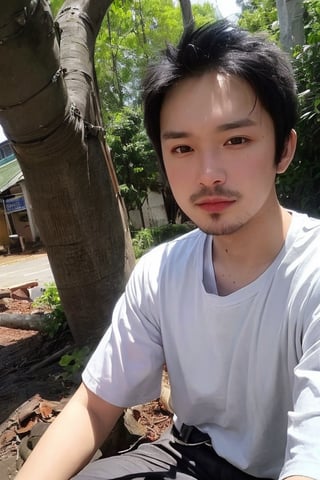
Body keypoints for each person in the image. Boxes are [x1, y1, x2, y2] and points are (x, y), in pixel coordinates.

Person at [15, 19, 320, 480]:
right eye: (182, 149)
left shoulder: (311, 273)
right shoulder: (161, 272)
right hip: (189, 454)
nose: (208, 174)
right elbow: (94, 406)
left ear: (283, 150)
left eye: (236, 140)